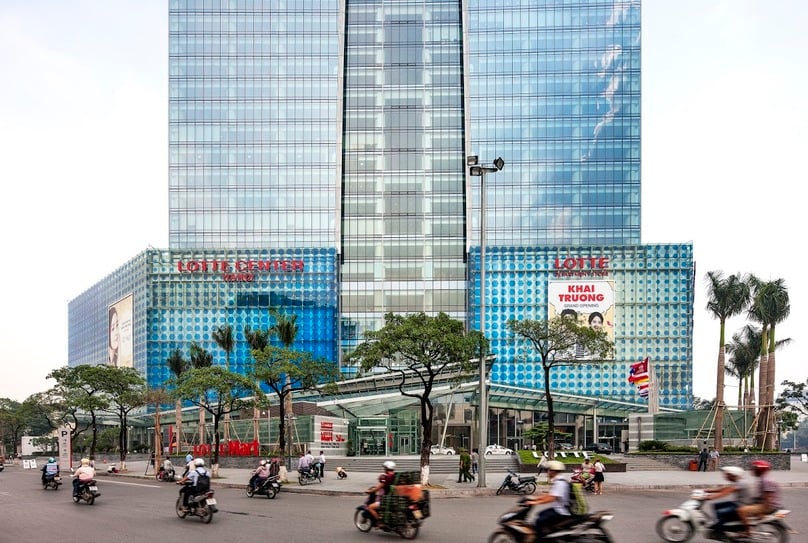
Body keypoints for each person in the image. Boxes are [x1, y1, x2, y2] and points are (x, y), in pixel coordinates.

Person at [524, 460, 571, 538]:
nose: (547, 472)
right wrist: (535, 498)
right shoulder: (558, 480)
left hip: (561, 512)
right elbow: (550, 495)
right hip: (558, 509)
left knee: (538, 522)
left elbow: (551, 498)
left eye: (547, 470)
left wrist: (534, 503)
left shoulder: (560, 483)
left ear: (553, 471)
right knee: (540, 514)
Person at [736, 460, 783, 538]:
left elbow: (768, 498)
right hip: (764, 503)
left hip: (768, 505)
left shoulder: (766, 480)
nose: (752, 470)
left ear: (760, 470)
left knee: (741, 510)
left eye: (754, 468)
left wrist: (762, 512)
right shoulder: (763, 478)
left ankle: (748, 532)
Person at [702, 466, 753, 533]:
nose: (725, 476)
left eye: (727, 474)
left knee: (721, 512)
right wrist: (708, 491)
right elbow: (724, 489)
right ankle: (720, 524)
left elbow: (725, 493)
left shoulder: (741, 483)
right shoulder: (737, 481)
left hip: (742, 506)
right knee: (715, 506)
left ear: (733, 475)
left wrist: (710, 497)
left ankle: (720, 532)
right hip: (737, 503)